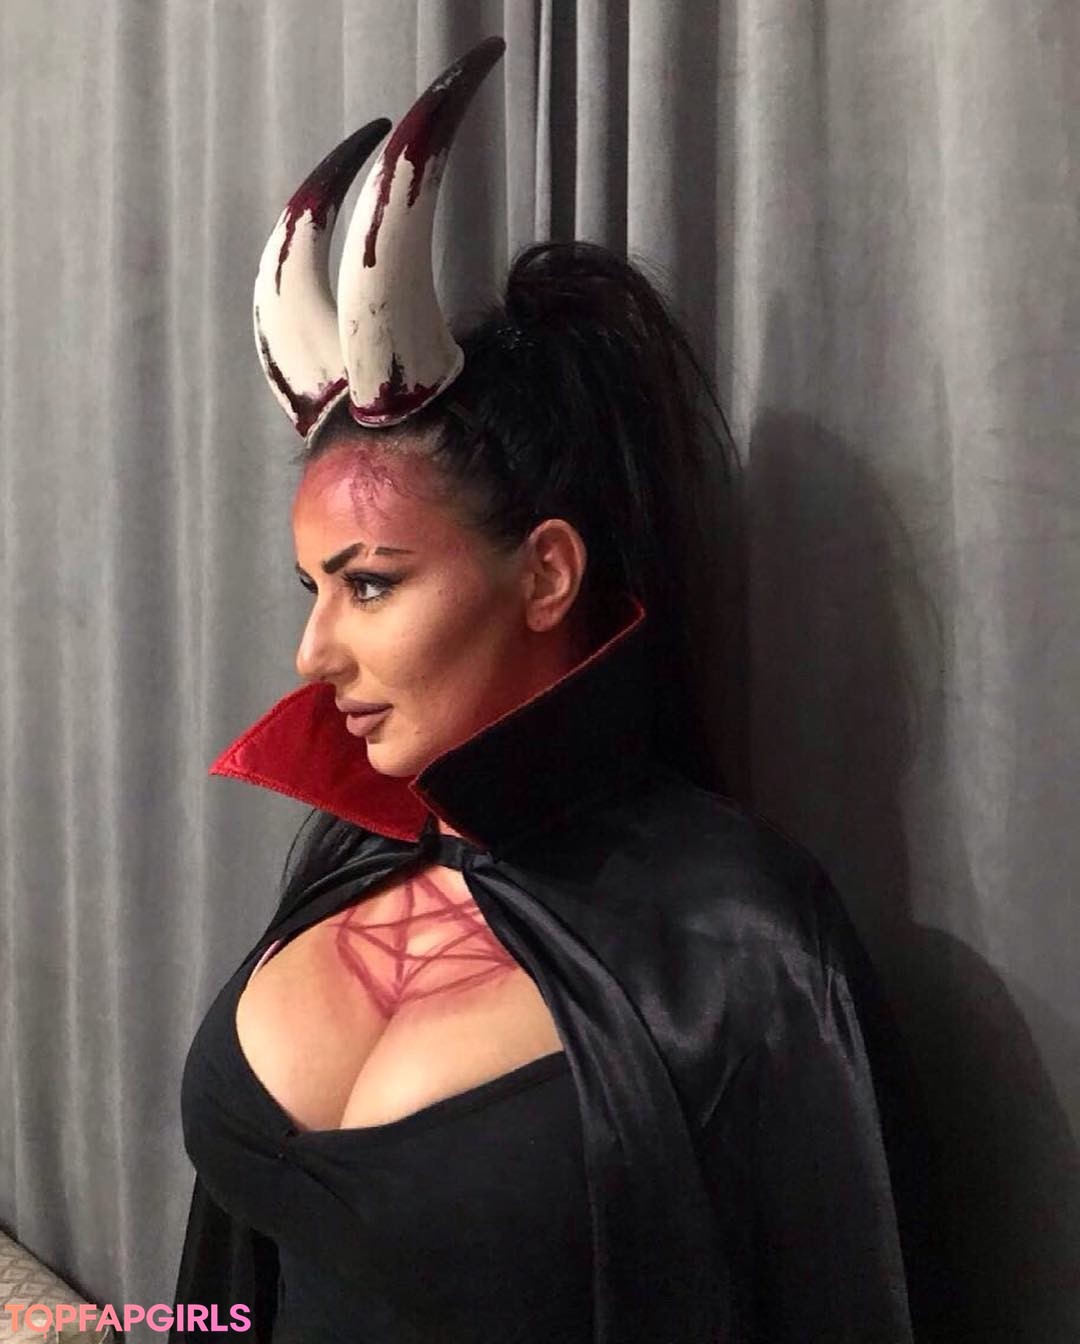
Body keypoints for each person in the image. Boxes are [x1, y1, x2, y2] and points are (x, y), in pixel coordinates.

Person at [170, 35, 944, 1344]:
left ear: (545, 574)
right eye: (312, 591)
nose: (312, 654)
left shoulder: (743, 949)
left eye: (371, 586)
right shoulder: (352, 853)